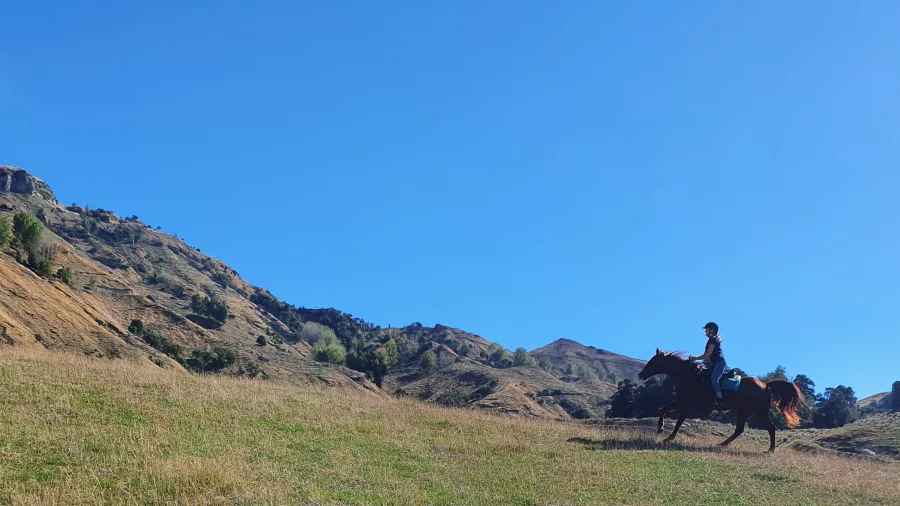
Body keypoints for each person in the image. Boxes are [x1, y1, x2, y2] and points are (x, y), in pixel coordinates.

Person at [689, 322, 726, 405]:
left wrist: (695, 358)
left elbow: (707, 355)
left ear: (712, 330)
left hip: (720, 363)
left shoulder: (713, 340)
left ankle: (720, 400)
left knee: (714, 379)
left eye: (706, 329)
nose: (705, 331)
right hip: (716, 364)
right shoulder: (712, 340)